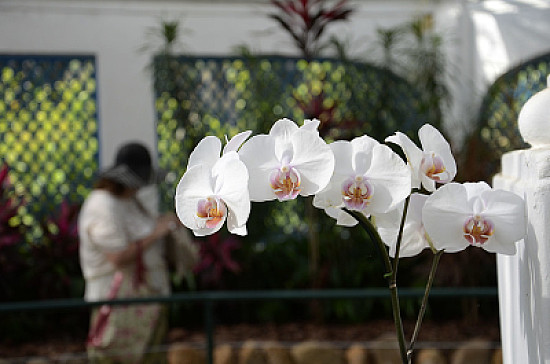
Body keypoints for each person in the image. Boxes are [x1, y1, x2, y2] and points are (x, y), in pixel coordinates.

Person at [78, 142, 180, 363]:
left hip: (150, 298)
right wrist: (157, 233)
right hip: (117, 304)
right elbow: (117, 257)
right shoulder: (102, 205)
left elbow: (148, 227)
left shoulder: (131, 201)